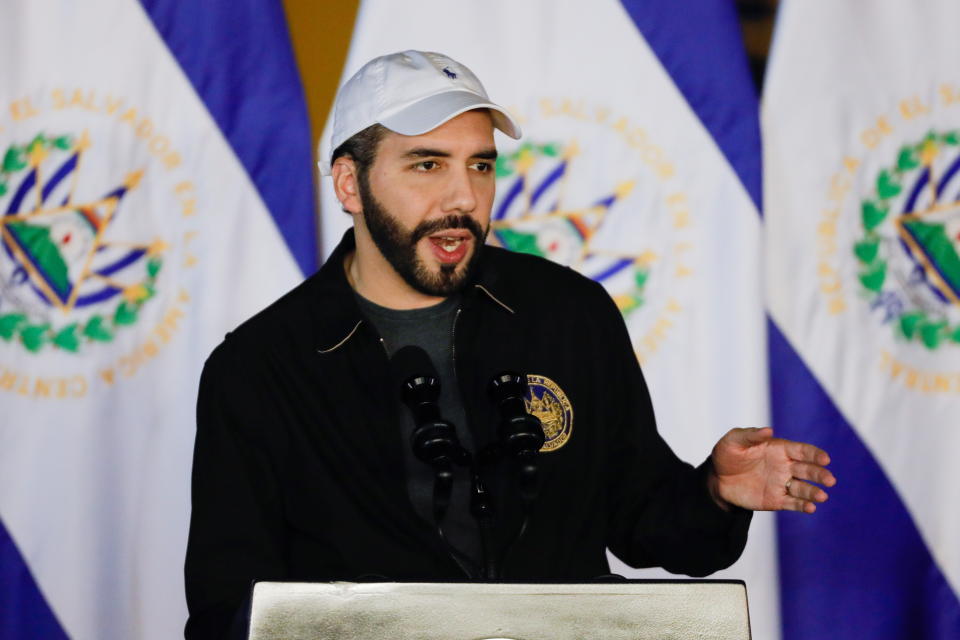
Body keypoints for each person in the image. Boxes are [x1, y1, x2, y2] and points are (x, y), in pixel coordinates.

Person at [183, 50, 835, 639]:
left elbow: (642, 520)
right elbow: (229, 609)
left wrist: (715, 493)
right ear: (350, 184)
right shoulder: (259, 368)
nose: (464, 197)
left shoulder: (567, 314)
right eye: (427, 165)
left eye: (481, 165)